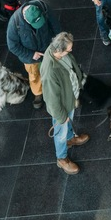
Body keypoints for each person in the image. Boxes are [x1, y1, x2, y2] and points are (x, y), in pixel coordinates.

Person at [41, 32, 90, 174]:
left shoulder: (57, 52)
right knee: (60, 132)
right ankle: (61, 158)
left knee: (68, 124)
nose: (71, 51)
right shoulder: (50, 71)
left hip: (69, 98)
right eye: (68, 50)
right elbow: (51, 98)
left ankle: (70, 139)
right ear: (59, 50)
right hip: (61, 107)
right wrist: (62, 116)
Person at [6, 0, 59, 110]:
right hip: (30, 57)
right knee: (34, 75)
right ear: (25, 19)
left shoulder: (43, 7)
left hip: (47, 50)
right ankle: (38, 92)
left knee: (52, 69)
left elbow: (55, 26)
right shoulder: (14, 23)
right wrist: (31, 54)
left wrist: (58, 44)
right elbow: (12, 46)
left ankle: (54, 87)